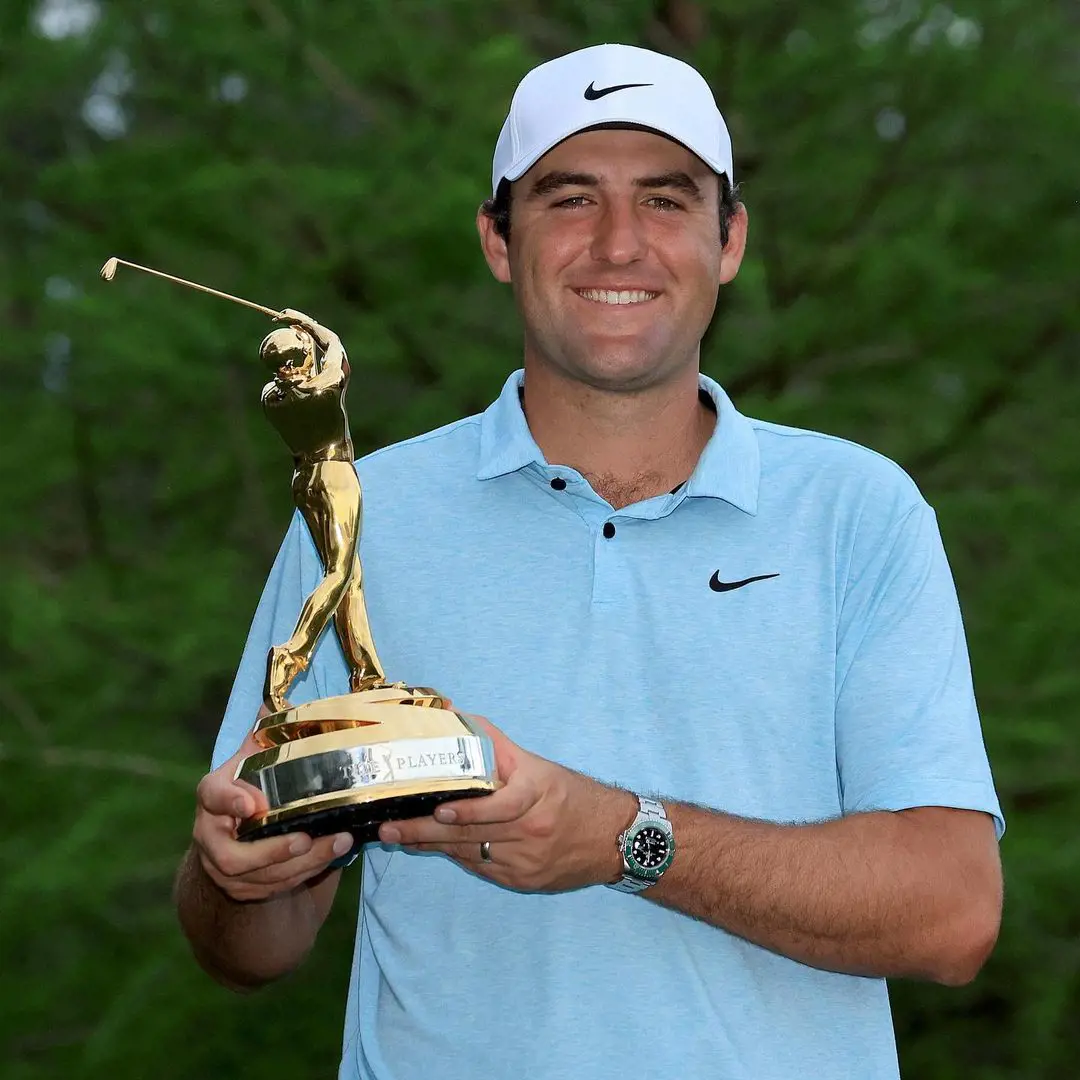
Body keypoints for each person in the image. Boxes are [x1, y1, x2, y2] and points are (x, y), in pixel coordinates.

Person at [174, 43, 1004, 1080]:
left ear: (730, 238)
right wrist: (239, 879)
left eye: (665, 200)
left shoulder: (861, 511)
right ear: (496, 238)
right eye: (570, 199)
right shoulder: (361, 509)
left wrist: (622, 837)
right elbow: (250, 949)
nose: (620, 245)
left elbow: (953, 911)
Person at [258, 310, 386, 708]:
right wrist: (306, 322)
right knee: (339, 573)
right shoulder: (321, 390)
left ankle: (366, 673)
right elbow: (337, 348)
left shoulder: (272, 397)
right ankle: (291, 655)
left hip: (303, 481)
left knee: (351, 578)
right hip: (335, 476)